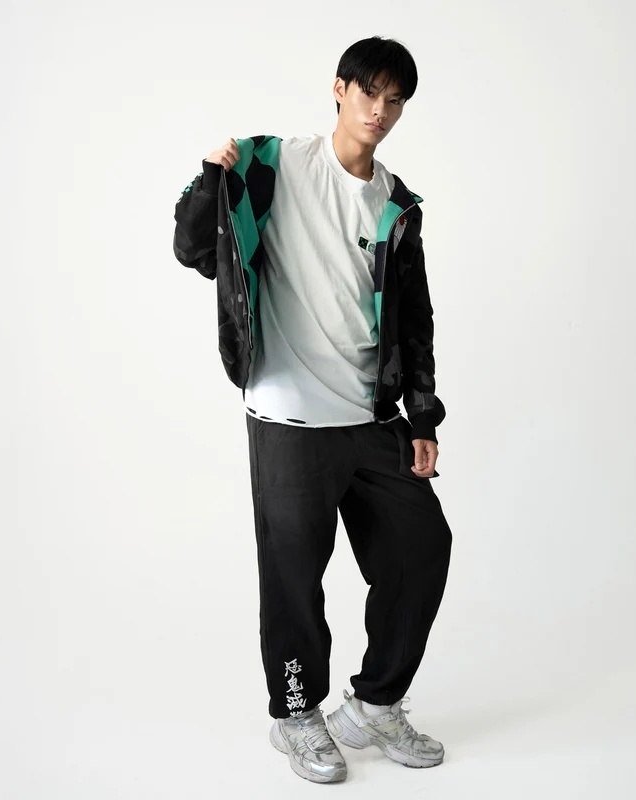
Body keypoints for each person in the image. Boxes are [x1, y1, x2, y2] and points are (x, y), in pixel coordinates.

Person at [172, 35, 453, 784]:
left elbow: (414, 319)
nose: (380, 110)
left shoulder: (397, 205)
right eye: (369, 92)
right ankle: (297, 715)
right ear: (339, 89)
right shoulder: (272, 165)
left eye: (394, 100)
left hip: (371, 416)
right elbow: (194, 249)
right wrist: (209, 178)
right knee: (295, 579)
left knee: (422, 548)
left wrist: (421, 416)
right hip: (289, 416)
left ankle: (374, 705)